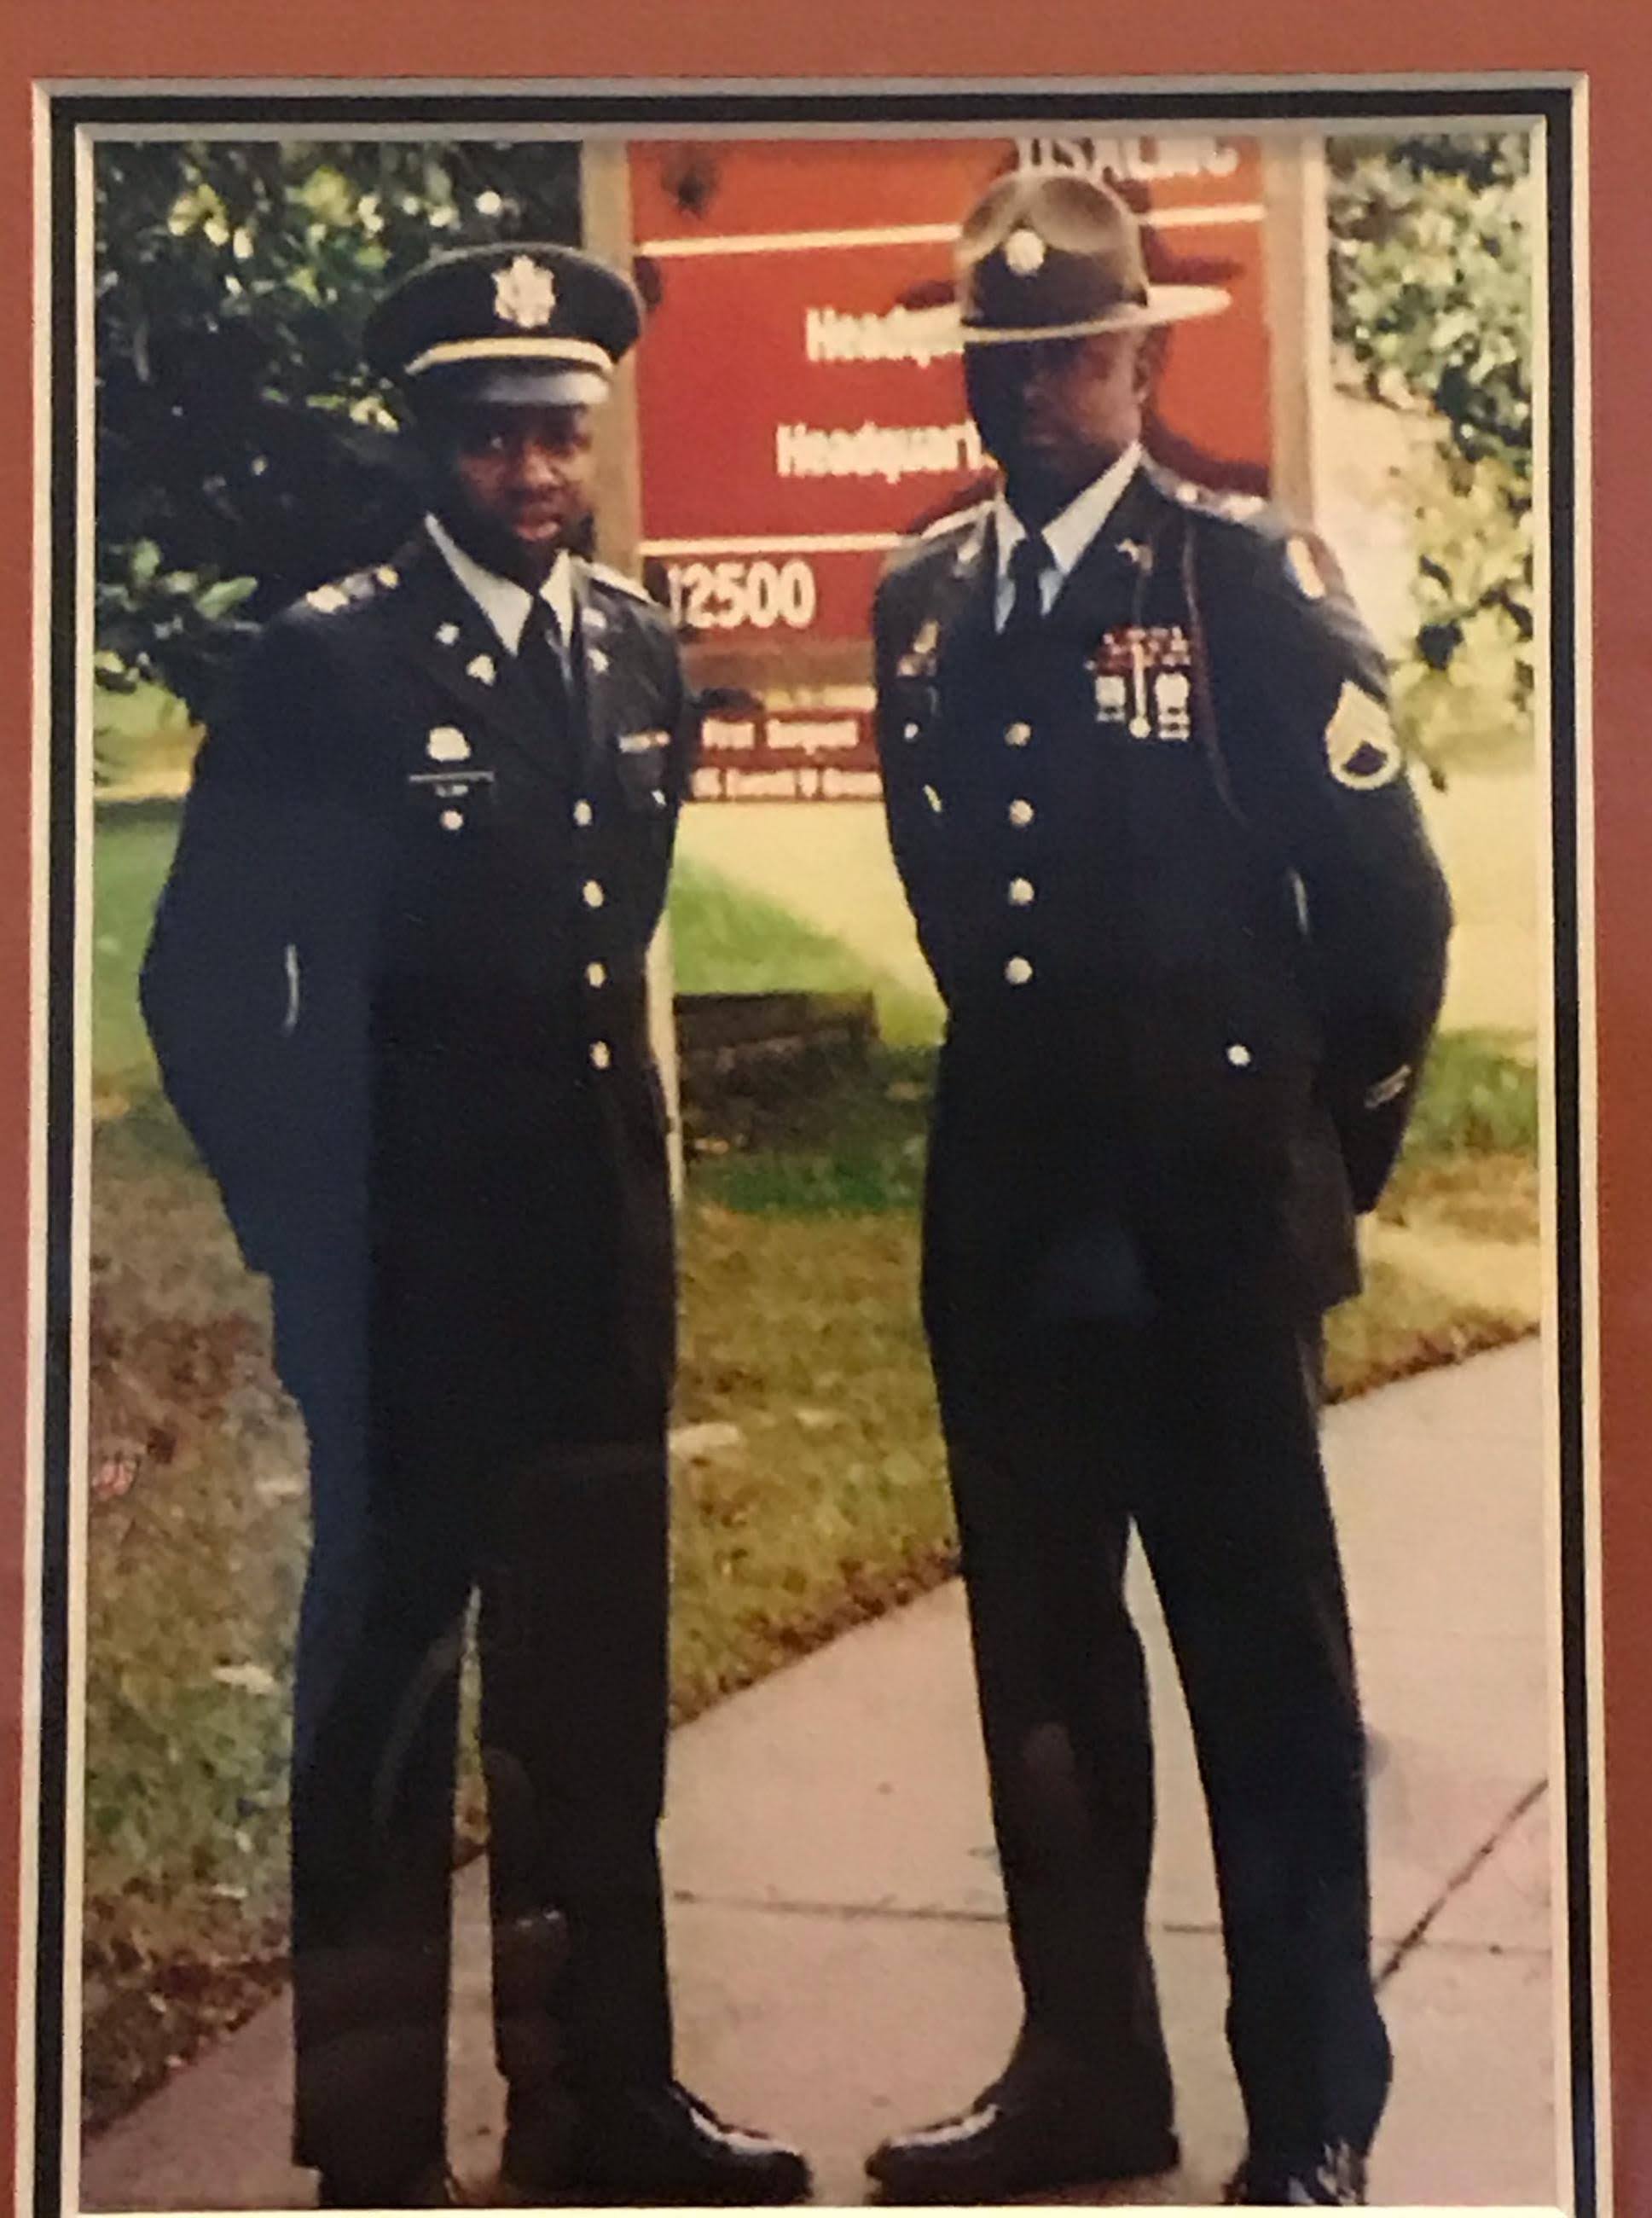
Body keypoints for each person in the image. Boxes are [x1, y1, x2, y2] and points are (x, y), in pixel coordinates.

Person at [141, 241, 809, 2210]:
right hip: (403, 1289)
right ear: (430, 436)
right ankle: (373, 2143)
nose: (536, 469)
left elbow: (607, 953)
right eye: (499, 433)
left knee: (594, 1714)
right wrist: (303, 1237)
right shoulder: (328, 663)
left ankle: (606, 2109)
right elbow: (201, 985)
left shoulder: (634, 648)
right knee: (386, 1721)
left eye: (564, 432)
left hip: (595, 1267)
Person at [866, 171, 1452, 2210]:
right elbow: (959, 906)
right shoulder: (923, 600)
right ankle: (1085, 2076)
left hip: (1208, 1229)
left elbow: (1389, 918)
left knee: (1262, 1674)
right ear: (969, 368)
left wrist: (1309, 1156)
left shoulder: (1243, 580)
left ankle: (1309, 2109)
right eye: (1002, 355)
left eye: (1075, 351)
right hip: (1019, 1230)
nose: (1035, 386)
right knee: (1043, 1669)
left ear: (1145, 358)